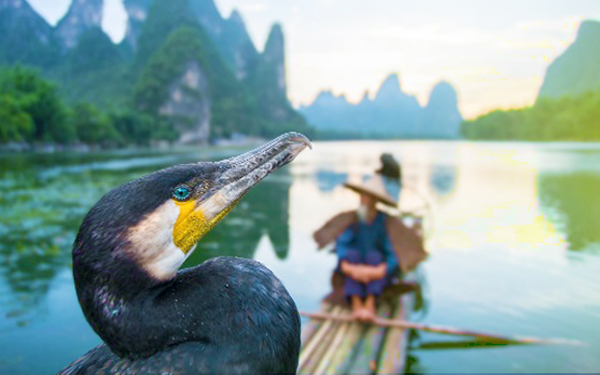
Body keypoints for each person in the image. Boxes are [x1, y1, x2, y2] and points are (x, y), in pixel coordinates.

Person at [313, 154, 427, 322]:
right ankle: (358, 304)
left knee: (375, 257)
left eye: (368, 198)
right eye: (363, 197)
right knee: (353, 256)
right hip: (355, 268)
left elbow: (391, 252)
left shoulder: (385, 223)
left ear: (375, 201)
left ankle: (370, 304)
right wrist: (351, 268)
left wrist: (377, 270)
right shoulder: (353, 221)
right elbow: (342, 247)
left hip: (375, 269)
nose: (364, 201)